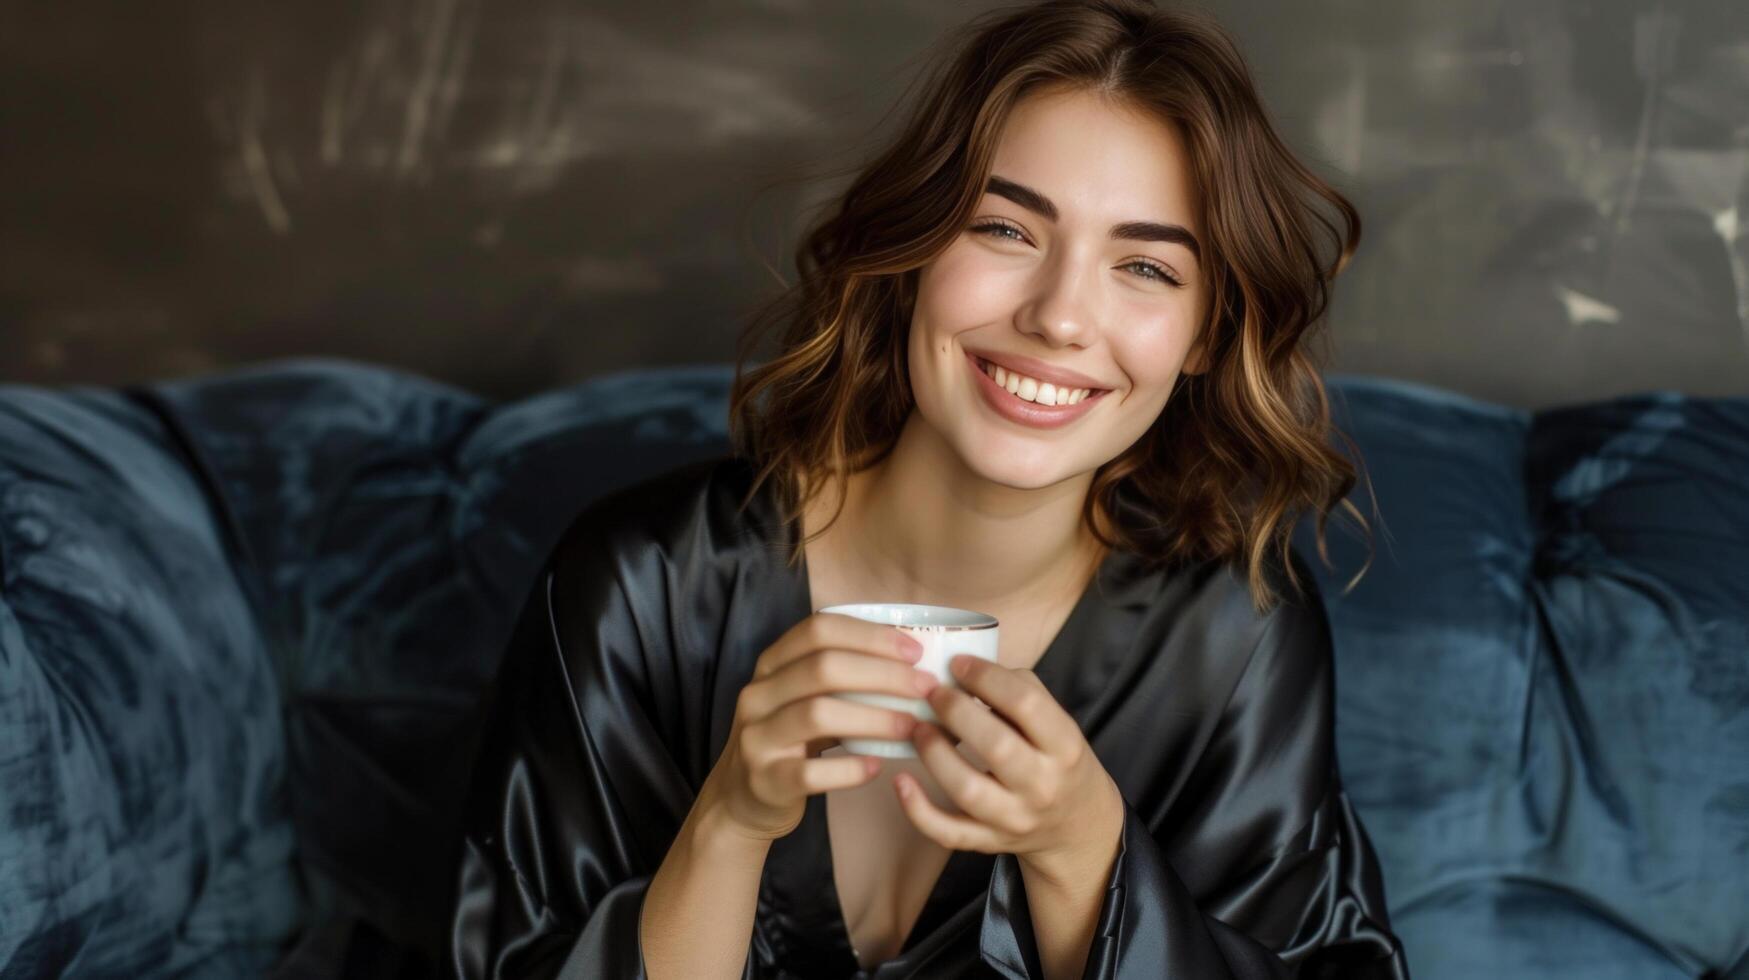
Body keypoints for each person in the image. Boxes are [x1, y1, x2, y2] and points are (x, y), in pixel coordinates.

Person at [445, 0, 1409, 977]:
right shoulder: (640, 588)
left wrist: (1084, 852)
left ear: (1205, 334)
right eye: (1004, 227)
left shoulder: (1234, 635)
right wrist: (729, 821)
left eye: (1146, 266)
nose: (1061, 317)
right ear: (913, 250)